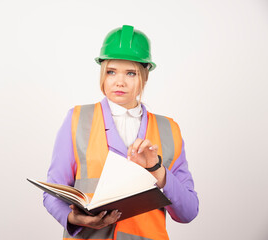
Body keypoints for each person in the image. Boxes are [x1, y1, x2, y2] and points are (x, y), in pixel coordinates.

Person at [43, 25, 199, 240]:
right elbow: (53, 194)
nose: (119, 82)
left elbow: (188, 212)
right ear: (102, 74)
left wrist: (157, 170)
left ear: (144, 77)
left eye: (131, 73)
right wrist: (73, 218)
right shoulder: (77, 119)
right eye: (111, 71)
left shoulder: (168, 130)